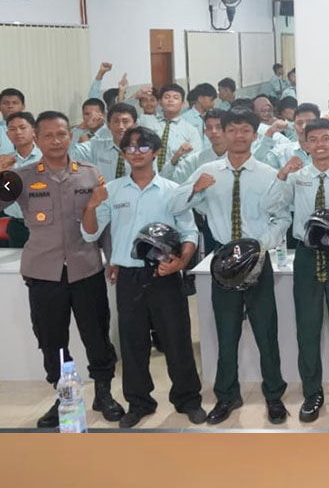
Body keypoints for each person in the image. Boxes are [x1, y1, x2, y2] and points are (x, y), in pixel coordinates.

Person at [0, 111, 124, 428]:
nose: (56, 141)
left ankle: (104, 394)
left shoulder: (90, 173)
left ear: (70, 136)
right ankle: (64, 397)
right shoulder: (21, 177)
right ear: (37, 139)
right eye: (48, 135)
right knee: (51, 339)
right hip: (44, 273)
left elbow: (104, 223)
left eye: (61, 134)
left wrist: (112, 258)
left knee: (97, 334)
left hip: (86, 268)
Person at [170, 108, 292, 425]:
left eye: (245, 130)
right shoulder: (208, 171)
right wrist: (194, 189)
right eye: (232, 130)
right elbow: (175, 206)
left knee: (266, 331)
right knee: (226, 332)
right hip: (222, 262)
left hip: (258, 260)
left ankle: (274, 395)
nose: (239, 136)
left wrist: (259, 246)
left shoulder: (268, 173)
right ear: (223, 133)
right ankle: (227, 396)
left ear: (254, 134)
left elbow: (282, 217)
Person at [81, 126, 205, 428]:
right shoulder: (112, 190)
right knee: (133, 343)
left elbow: (189, 232)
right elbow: (90, 233)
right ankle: (139, 403)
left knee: (176, 340)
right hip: (128, 276)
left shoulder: (172, 190)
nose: (136, 153)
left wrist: (180, 262)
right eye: (130, 148)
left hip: (165, 273)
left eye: (143, 147)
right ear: (124, 154)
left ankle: (188, 400)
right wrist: (92, 206)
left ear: (156, 152)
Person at [263, 119, 329, 423]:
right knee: (307, 328)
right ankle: (312, 393)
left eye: (326, 138)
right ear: (305, 144)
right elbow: (271, 206)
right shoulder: (296, 178)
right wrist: (282, 174)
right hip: (307, 257)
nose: (320, 144)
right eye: (314, 139)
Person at [0, 112, 42, 247]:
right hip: (16, 225)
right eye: (12, 129)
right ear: (7, 135)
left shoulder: (47, 159)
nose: (18, 132)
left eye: (22, 127)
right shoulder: (4, 162)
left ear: (34, 130)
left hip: (44, 225)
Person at [145, 84, 203, 174]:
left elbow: (194, 159)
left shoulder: (190, 130)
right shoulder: (147, 122)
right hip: (148, 176)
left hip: (176, 178)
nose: (171, 100)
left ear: (182, 104)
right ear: (160, 102)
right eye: (166, 97)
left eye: (176, 98)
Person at [182, 83, 217, 150]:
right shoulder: (185, 119)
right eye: (211, 100)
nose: (213, 103)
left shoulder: (213, 117)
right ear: (200, 99)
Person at [0, 88, 27, 155]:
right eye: (6, 103)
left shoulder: (34, 128)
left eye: (15, 103)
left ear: (23, 106)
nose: (10, 106)